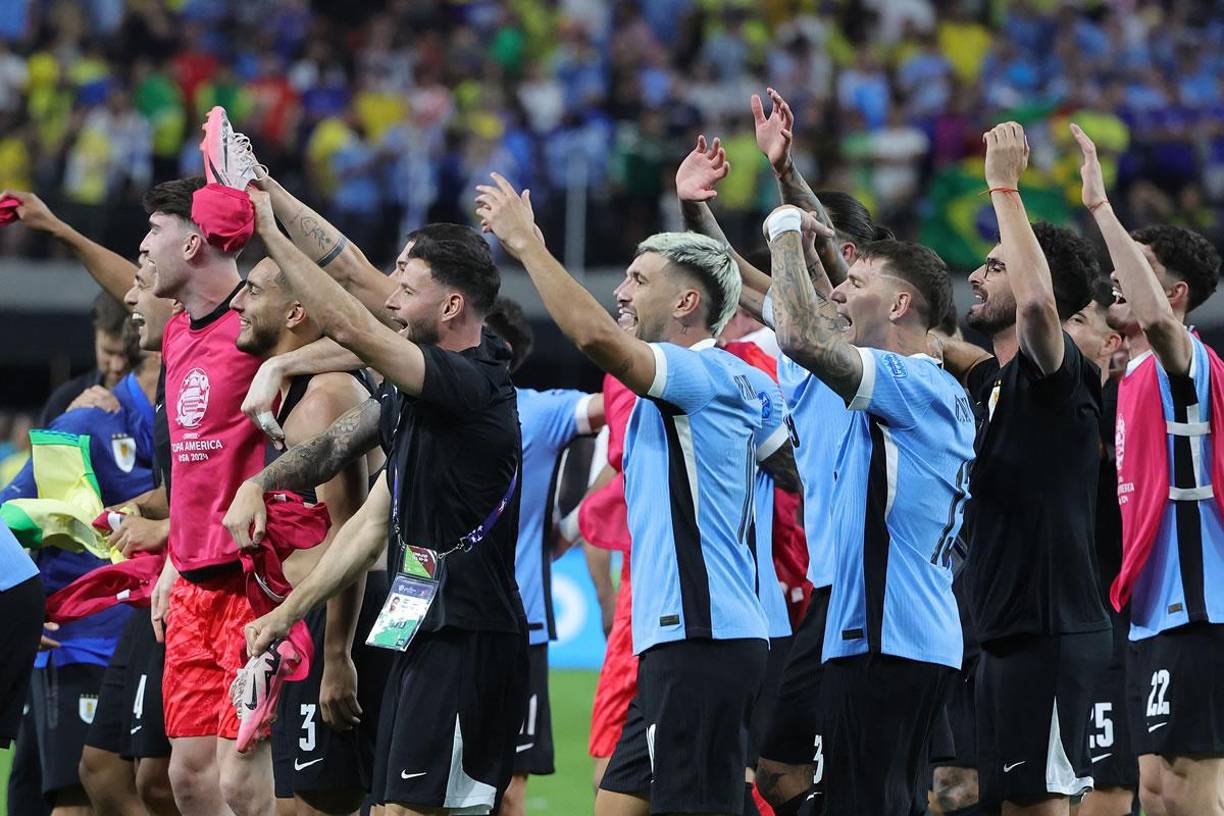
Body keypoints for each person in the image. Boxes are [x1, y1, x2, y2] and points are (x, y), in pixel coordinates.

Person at [477, 174, 793, 816]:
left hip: (700, 635)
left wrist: (528, 244)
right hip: (687, 631)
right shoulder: (741, 380)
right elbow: (786, 468)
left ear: (687, 303)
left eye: (639, 280)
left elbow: (594, 336)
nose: (621, 292)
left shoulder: (698, 373)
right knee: (617, 801)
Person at [238, 187, 527, 816]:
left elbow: (350, 325)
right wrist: (260, 489)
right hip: (417, 626)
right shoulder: (414, 396)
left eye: (406, 278)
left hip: (468, 635)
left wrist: (269, 230)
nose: (390, 290)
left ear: (451, 305)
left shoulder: (468, 385)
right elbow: (360, 512)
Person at [758, 201, 974, 815]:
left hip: (887, 635)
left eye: (858, 284)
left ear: (900, 305)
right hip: (905, 635)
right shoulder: (921, 388)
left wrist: (782, 230)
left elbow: (801, 333)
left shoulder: (911, 384)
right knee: (879, 800)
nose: (843, 294)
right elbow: (813, 316)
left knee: (862, 802)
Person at [956, 122, 1112, 815]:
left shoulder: (1055, 377)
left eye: (994, 264)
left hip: (1046, 634)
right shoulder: (993, 381)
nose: (976, 273)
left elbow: (1040, 304)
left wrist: (1004, 185)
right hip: (1006, 636)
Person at [1072, 123, 1224, 816]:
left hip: (1200, 604)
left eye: (1136, 263)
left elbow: (1159, 323)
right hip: (1146, 611)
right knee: (1156, 791)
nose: (1114, 275)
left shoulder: (1184, 361)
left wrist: (1104, 210)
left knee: (1192, 791)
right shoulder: (1126, 377)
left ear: (1178, 293)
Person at [221, 257, 388, 816]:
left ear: (296, 311)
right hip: (308, 623)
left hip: (342, 620)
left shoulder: (323, 400)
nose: (238, 303)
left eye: (252, 292)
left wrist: (337, 655)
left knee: (321, 804)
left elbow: (351, 534)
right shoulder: (294, 391)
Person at [138, 171, 270, 816]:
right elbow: (190, 469)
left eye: (156, 231)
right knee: (185, 780)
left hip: (252, 582)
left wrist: (282, 364)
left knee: (239, 784)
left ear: (193, 244)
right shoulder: (174, 333)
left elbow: (353, 336)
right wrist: (169, 562)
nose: (144, 244)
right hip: (190, 582)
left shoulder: (262, 321)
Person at [3, 326, 160, 816]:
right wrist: (23, 610)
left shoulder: (187, 432)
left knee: (154, 785)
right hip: (79, 641)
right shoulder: (85, 421)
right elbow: (10, 513)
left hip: (147, 636)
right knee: (78, 796)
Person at [483, 296, 606, 816]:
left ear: (502, 349)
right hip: (432, 621)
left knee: (508, 791)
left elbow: (626, 406)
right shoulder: (422, 403)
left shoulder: (541, 410)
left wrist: (574, 526)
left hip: (518, 624)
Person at [1061, 282, 1137, 816]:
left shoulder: (1124, 405)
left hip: (1111, 620)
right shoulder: (1034, 396)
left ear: (1111, 342)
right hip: (1048, 626)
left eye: (1077, 319)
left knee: (1105, 785)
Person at [40, 292, 135, 425]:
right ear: (95, 338)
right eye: (108, 352)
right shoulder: (64, 399)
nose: (116, 366)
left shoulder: (159, 398)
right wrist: (70, 423)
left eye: (125, 354)